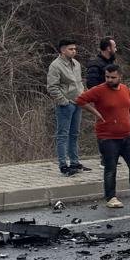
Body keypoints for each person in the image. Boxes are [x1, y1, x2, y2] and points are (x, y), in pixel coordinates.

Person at [76, 64, 130, 209]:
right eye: (107, 76)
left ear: (120, 77)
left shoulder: (125, 90)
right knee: (110, 168)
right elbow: (80, 100)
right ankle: (111, 197)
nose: (109, 80)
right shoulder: (99, 90)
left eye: (113, 77)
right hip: (107, 137)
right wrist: (96, 113)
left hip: (126, 136)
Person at [46, 38, 88, 177]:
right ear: (63, 50)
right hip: (65, 105)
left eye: (75, 49)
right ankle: (63, 165)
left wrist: (82, 96)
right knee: (63, 135)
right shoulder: (55, 66)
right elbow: (52, 87)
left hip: (77, 102)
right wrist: (64, 102)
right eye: (71, 49)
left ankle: (75, 162)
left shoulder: (76, 64)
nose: (74, 51)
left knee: (74, 134)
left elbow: (79, 82)